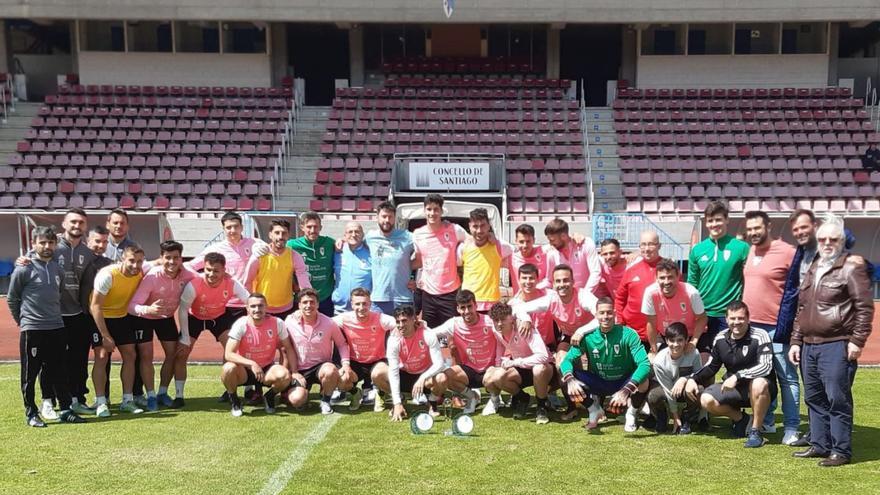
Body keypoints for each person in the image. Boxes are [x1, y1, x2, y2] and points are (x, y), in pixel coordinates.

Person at [789, 214, 874, 467]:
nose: (827, 243)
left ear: (842, 241)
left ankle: (840, 450)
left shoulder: (852, 267)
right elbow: (802, 308)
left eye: (833, 239)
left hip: (837, 342)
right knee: (814, 398)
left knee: (837, 399)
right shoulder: (815, 266)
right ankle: (819, 444)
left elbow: (864, 307)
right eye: (823, 239)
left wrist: (857, 341)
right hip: (809, 344)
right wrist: (796, 340)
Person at [16, 208, 98, 418]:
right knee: (48, 362)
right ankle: (48, 401)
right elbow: (30, 262)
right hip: (53, 317)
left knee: (77, 361)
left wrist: (86, 313)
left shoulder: (88, 253)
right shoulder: (51, 246)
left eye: (81, 223)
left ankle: (77, 399)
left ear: (85, 226)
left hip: (77, 314)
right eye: (73, 222)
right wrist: (21, 259)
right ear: (64, 223)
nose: (77, 226)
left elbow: (86, 286)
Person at [8, 226, 86, 427]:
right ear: (34, 244)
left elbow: (57, 295)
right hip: (33, 329)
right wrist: (23, 321)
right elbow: (12, 299)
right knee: (30, 373)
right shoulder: (23, 268)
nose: (46, 246)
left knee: (59, 369)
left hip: (57, 327)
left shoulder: (57, 269)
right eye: (42, 242)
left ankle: (66, 409)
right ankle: (31, 413)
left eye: (50, 243)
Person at [741, 210, 799, 444]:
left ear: (769, 226)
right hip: (752, 328)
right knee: (763, 377)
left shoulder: (788, 252)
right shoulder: (750, 250)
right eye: (750, 229)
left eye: (757, 228)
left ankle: (792, 427)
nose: (753, 233)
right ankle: (766, 421)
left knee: (787, 378)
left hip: (777, 327)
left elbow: (797, 288)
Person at [686, 301, 775, 448]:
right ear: (726, 319)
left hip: (761, 389)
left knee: (759, 383)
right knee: (706, 399)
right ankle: (742, 420)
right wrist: (691, 378)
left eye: (741, 318)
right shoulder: (721, 338)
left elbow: (766, 366)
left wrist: (737, 376)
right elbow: (712, 366)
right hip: (735, 389)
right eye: (732, 318)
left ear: (748, 319)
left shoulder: (760, 335)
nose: (736, 322)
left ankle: (756, 431)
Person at [561, 297, 651, 431]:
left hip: (623, 382)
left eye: (609, 312)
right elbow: (566, 361)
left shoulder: (629, 334)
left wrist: (626, 390)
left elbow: (645, 364)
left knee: (644, 380)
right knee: (566, 377)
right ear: (596, 315)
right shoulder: (587, 337)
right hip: (600, 381)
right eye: (602, 313)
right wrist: (570, 380)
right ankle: (593, 409)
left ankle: (631, 413)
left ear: (615, 313)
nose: (606, 316)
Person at [174, 252, 251, 408]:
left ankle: (231, 390)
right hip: (194, 318)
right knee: (182, 353)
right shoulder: (194, 284)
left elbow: (249, 300)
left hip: (219, 317)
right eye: (208, 269)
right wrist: (185, 338)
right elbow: (183, 310)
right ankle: (179, 395)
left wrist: (248, 321)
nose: (211, 274)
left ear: (224, 270)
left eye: (216, 271)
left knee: (233, 351)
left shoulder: (232, 283)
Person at [128, 241, 195, 409]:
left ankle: (162, 393)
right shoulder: (151, 277)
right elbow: (132, 306)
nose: (172, 262)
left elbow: (204, 278)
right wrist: (148, 309)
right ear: (161, 258)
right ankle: (150, 396)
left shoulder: (187, 274)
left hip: (166, 318)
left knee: (172, 354)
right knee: (146, 355)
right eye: (168, 258)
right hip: (144, 318)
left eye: (176, 258)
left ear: (181, 259)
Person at [775, 208, 819, 447]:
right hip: (803, 328)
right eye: (796, 229)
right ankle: (816, 435)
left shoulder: (829, 250)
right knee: (811, 386)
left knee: (829, 390)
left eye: (804, 227)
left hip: (827, 330)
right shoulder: (801, 254)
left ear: (815, 225)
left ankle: (833, 438)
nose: (801, 232)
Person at [90, 244, 148, 416]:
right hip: (100, 317)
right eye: (131, 260)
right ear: (122, 258)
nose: (135, 265)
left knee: (130, 355)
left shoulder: (140, 274)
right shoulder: (107, 275)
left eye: (139, 261)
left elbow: (158, 262)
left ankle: (127, 400)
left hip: (121, 317)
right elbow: (95, 306)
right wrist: (105, 336)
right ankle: (101, 402)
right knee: (101, 356)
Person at [221, 293, 298, 417]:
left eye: (261, 306)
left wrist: (294, 371)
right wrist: (252, 363)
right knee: (228, 368)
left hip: (266, 369)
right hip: (244, 371)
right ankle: (235, 401)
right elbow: (228, 354)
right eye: (253, 306)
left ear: (266, 307)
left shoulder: (277, 323)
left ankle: (269, 396)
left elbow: (288, 348)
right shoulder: (240, 324)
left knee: (284, 375)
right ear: (247, 308)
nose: (257, 309)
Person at [687, 201, 749, 353]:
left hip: (729, 315)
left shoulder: (741, 248)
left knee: (734, 359)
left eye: (718, 219)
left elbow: (749, 280)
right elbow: (692, 284)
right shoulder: (698, 250)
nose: (714, 224)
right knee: (704, 360)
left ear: (727, 219)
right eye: (710, 220)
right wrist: (693, 313)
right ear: (706, 222)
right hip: (703, 314)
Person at [283, 288, 352, 414]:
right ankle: (304, 396)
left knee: (330, 370)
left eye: (312, 302)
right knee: (297, 400)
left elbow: (342, 344)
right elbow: (285, 347)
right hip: (300, 369)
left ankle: (326, 400)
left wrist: (346, 364)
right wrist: (292, 372)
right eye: (305, 302)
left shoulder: (329, 323)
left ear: (318, 304)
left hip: (322, 367)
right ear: (299, 305)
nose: (308, 305)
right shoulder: (289, 321)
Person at [484, 302, 554, 424]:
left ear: (511, 317)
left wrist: (516, 362)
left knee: (538, 369)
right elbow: (500, 345)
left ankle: (541, 407)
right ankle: (522, 398)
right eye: (496, 320)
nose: (499, 323)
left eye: (503, 319)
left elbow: (543, 356)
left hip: (546, 368)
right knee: (497, 377)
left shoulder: (524, 326)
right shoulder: (496, 329)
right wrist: (498, 364)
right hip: (522, 367)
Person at [431, 290, 497, 414]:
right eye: (463, 308)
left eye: (469, 306)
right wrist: (420, 327)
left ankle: (494, 399)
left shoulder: (490, 321)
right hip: (469, 371)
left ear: (476, 306)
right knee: (446, 375)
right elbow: (433, 334)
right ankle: (472, 396)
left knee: (498, 375)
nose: (466, 311)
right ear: (458, 309)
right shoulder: (454, 323)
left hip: (490, 370)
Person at [331, 288, 396, 411]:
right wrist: (300, 314)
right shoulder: (344, 318)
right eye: (357, 304)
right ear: (352, 304)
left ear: (370, 304)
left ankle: (381, 394)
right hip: (355, 362)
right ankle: (356, 393)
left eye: (365, 303)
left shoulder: (380, 318)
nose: (361, 307)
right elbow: (324, 322)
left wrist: (419, 324)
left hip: (377, 361)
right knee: (339, 379)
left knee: (380, 374)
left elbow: (400, 324)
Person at [379, 305, 447, 421]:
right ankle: (400, 401)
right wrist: (396, 403)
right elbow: (393, 371)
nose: (401, 325)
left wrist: (422, 378)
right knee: (378, 373)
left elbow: (439, 363)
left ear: (414, 319)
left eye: (404, 320)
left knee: (442, 378)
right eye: (398, 322)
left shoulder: (427, 334)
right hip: (405, 374)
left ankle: (432, 401)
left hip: (426, 377)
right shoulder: (393, 340)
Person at [412, 194, 468, 328]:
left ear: (442, 211)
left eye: (436, 209)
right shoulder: (417, 234)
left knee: (451, 337)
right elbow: (418, 261)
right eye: (429, 209)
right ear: (424, 210)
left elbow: (472, 242)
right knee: (430, 336)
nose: (432, 213)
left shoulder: (454, 229)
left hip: (450, 294)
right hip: (428, 295)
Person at [244, 218, 311, 319]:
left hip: (287, 309)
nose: (280, 236)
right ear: (270, 235)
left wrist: (308, 301)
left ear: (288, 235)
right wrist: (251, 305)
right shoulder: (259, 256)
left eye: (284, 233)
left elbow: (304, 283)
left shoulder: (294, 256)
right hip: (262, 309)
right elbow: (247, 282)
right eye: (277, 233)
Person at [641, 258, 707, 356]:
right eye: (662, 278)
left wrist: (693, 342)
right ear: (656, 278)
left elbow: (702, 318)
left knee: (704, 359)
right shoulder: (650, 293)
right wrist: (653, 349)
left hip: (690, 335)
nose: (666, 282)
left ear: (678, 277)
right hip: (667, 336)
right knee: (655, 362)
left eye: (670, 277)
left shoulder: (691, 292)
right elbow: (651, 323)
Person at [646, 323, 703, 434]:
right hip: (666, 388)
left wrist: (685, 379)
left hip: (685, 388)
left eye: (680, 340)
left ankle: (687, 416)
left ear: (687, 340)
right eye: (672, 340)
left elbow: (699, 375)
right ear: (666, 341)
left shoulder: (694, 353)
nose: (675, 344)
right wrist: (675, 416)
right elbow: (668, 390)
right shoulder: (659, 361)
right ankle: (662, 415)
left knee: (699, 390)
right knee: (653, 396)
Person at [78, 226, 113, 401]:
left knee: (103, 355)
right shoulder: (78, 260)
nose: (101, 245)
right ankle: (77, 397)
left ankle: (103, 397)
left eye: (105, 241)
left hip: (99, 317)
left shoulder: (108, 264)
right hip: (78, 316)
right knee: (78, 359)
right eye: (97, 241)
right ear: (87, 241)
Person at [364, 201, 415, 315]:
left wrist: (417, 278)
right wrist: (341, 241)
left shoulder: (407, 237)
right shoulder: (370, 237)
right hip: (379, 298)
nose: (387, 220)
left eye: (390, 217)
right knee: (379, 333)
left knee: (405, 332)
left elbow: (426, 255)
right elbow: (353, 244)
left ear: (394, 218)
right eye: (384, 216)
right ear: (377, 217)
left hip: (403, 298)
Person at [458, 208, 513, 312]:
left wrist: (495, 240)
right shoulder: (463, 247)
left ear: (489, 226)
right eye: (475, 226)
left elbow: (518, 255)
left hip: (491, 303)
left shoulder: (500, 246)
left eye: (483, 226)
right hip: (469, 304)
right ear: (469, 227)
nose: (479, 231)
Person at [614, 231, 663, 348]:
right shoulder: (631, 270)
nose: (647, 248)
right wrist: (620, 323)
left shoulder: (668, 269)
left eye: (651, 244)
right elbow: (620, 298)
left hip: (660, 335)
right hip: (633, 333)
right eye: (643, 244)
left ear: (659, 246)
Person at [288, 211, 336, 316]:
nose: (313, 230)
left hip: (325, 298)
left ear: (321, 227)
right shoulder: (292, 245)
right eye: (309, 227)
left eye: (316, 227)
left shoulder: (329, 243)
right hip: (302, 299)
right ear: (302, 227)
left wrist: (342, 240)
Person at [541, 218, 601, 294]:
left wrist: (585, 295)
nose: (550, 243)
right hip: (565, 301)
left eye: (552, 240)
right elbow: (549, 280)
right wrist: (535, 289)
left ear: (563, 236)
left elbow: (596, 272)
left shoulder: (586, 244)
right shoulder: (551, 253)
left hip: (588, 298)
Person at [508, 263, 555, 349]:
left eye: (531, 278)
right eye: (524, 278)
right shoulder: (513, 303)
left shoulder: (548, 295)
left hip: (549, 345)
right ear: (518, 280)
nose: (528, 282)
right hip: (527, 349)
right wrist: (525, 319)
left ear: (538, 280)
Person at [332, 222, 374, 314]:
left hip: (363, 309)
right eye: (350, 232)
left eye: (357, 232)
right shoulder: (337, 251)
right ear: (345, 235)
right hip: (339, 310)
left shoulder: (371, 253)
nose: (354, 235)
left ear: (363, 235)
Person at [507, 224, 548, 296]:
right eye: (521, 242)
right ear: (516, 241)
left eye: (528, 241)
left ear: (534, 240)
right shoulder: (511, 258)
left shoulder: (544, 254)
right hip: (520, 303)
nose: (525, 245)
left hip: (541, 301)